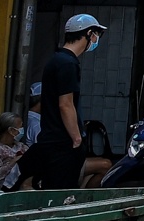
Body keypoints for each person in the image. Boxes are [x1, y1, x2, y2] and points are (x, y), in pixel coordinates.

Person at [24, 13, 104, 190]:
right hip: (62, 144)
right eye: (97, 34)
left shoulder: (57, 60)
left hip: (52, 141)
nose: (97, 39)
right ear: (89, 33)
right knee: (61, 194)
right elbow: (65, 104)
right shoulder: (68, 63)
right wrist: (76, 138)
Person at [0, 112, 26, 189]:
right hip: (3, 190)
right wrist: (13, 162)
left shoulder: (21, 146)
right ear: (11, 130)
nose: (21, 130)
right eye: (20, 128)